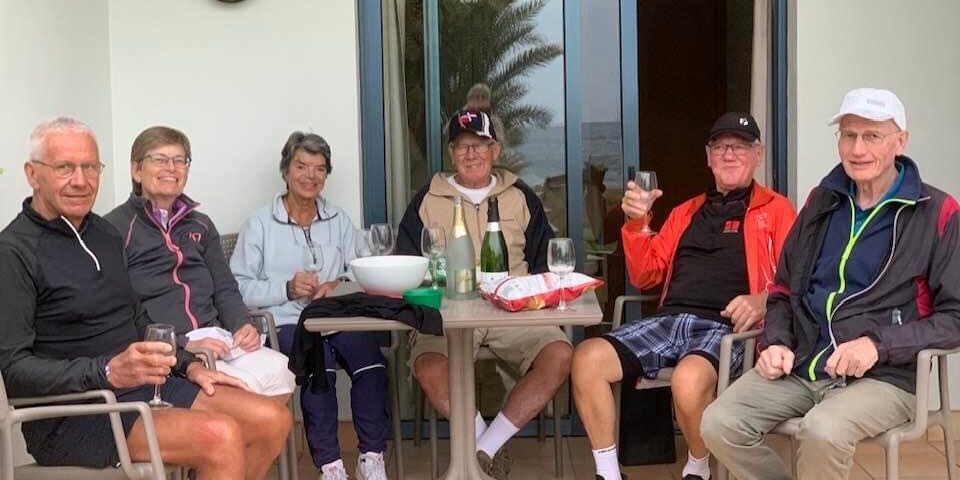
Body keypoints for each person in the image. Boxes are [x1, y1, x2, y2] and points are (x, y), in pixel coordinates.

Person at [0, 117, 291, 479]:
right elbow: (15, 370)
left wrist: (189, 365)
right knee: (221, 435)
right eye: (64, 168)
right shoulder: (13, 252)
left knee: (273, 420)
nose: (80, 180)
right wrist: (108, 370)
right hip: (76, 413)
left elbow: (137, 317)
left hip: (145, 386)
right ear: (32, 174)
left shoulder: (104, 234)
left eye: (90, 167)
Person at [700, 88, 960, 480]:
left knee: (822, 430)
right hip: (805, 364)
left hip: (885, 377)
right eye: (848, 135)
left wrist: (878, 345)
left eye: (872, 136)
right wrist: (776, 342)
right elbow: (783, 290)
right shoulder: (822, 202)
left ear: (901, 141)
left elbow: (955, 317)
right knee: (720, 422)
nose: (857, 149)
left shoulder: (936, 211)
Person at [571, 112, 797, 480]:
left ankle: (698, 466)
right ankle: (608, 474)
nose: (729, 154)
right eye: (720, 147)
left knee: (688, 380)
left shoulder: (777, 210)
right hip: (670, 321)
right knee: (586, 359)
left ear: (758, 154)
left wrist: (764, 299)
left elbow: (797, 278)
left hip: (728, 327)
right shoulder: (686, 212)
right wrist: (636, 223)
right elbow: (646, 274)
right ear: (708, 157)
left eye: (740, 147)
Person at [395, 109, 572, 479]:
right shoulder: (427, 199)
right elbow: (407, 264)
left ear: (496, 150)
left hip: (513, 313)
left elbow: (544, 264)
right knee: (428, 365)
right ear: (451, 153)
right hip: (447, 315)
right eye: (462, 146)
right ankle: (484, 442)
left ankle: (485, 448)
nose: (471, 153)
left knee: (559, 355)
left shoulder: (521, 196)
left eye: (479, 145)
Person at [231, 131, 389, 480]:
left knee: (372, 363)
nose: (310, 175)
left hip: (337, 317)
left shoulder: (338, 219)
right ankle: (330, 466)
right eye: (301, 166)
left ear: (326, 175)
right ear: (285, 171)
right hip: (285, 323)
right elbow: (238, 287)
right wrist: (286, 288)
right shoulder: (260, 223)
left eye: (319, 168)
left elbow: (360, 271)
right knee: (320, 366)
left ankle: (372, 458)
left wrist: (338, 285)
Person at [105, 126, 295, 400]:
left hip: (219, 338)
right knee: (246, 387)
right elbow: (121, 311)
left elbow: (225, 287)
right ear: (136, 170)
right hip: (170, 347)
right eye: (160, 159)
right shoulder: (114, 229)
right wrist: (182, 343)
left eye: (179, 160)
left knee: (281, 370)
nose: (171, 168)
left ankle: (256, 429)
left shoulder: (201, 224)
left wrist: (242, 324)